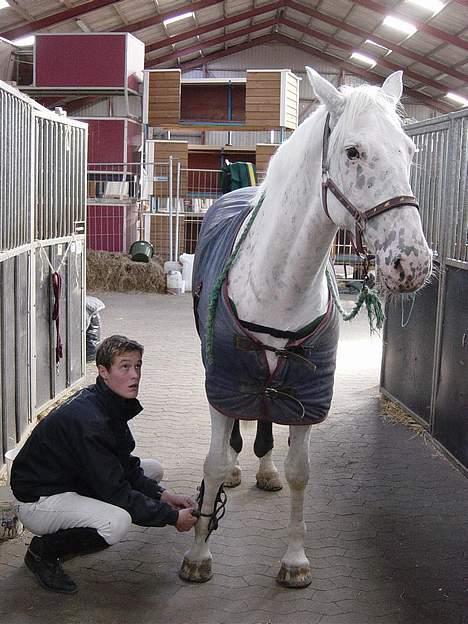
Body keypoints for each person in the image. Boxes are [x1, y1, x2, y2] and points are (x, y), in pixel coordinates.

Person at [10, 335, 198, 594]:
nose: (135, 375)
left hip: (71, 479)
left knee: (153, 470)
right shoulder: (89, 420)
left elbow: (125, 465)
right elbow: (117, 492)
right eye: (125, 366)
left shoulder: (108, 401)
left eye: (138, 366)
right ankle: (43, 553)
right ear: (103, 371)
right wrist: (172, 517)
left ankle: (71, 530)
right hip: (38, 500)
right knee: (116, 522)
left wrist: (164, 496)